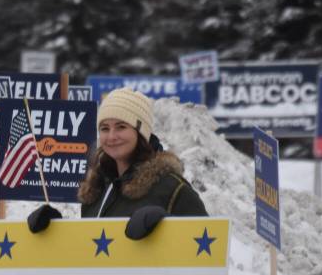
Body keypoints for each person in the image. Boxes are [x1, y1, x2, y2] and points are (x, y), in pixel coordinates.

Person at [28, 87, 206, 235]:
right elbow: (91, 254)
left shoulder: (171, 187)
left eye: (121, 127)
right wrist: (55, 231)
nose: (111, 136)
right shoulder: (95, 189)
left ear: (141, 132)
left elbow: (206, 243)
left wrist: (167, 226)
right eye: (105, 128)